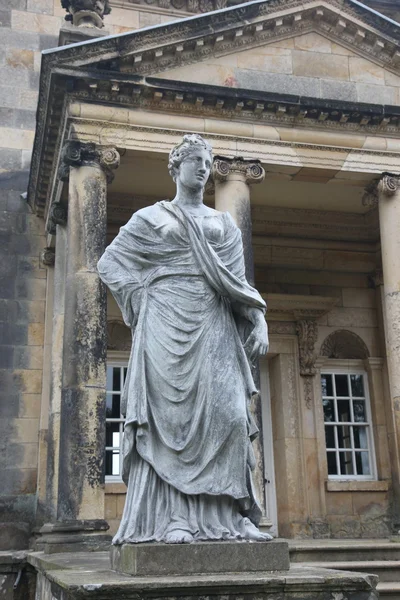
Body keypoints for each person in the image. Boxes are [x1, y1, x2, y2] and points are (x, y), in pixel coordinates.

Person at [98, 134, 271, 544]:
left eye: (208, 161)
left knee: (230, 415)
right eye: (195, 160)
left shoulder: (222, 223)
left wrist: (258, 319)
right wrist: (140, 294)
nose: (203, 168)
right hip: (165, 320)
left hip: (213, 320)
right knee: (169, 422)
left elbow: (236, 283)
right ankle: (173, 518)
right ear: (176, 167)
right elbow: (109, 262)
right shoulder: (149, 218)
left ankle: (233, 515)